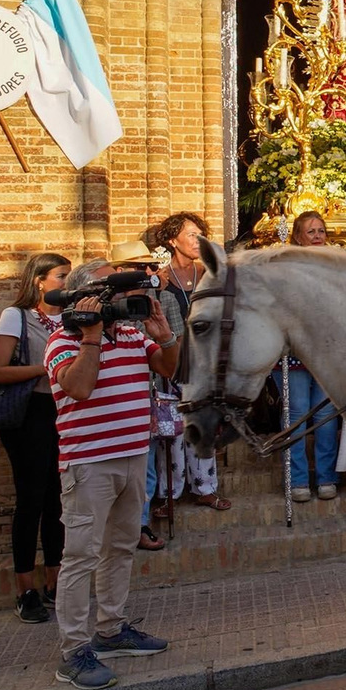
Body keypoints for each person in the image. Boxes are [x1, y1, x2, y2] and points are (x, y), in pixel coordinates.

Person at [47, 260, 177, 689]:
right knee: (80, 557)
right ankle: (73, 652)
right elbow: (79, 388)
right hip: (89, 465)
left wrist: (166, 337)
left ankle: (111, 630)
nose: (122, 297)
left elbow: (168, 368)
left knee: (120, 548)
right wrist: (90, 337)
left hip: (133, 457)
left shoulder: (131, 334)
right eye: (112, 289)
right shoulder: (62, 341)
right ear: (86, 297)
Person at [0, 253, 71, 621]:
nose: (66, 283)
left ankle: (55, 581)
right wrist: (48, 368)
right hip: (29, 415)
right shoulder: (17, 316)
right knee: (31, 500)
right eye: (60, 276)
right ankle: (25, 589)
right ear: (39, 281)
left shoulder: (70, 316)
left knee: (58, 500)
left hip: (63, 412)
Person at [104, 238, 179, 552]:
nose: (148, 272)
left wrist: (164, 337)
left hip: (147, 392)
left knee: (145, 465)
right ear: (120, 272)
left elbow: (176, 346)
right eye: (139, 267)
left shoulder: (162, 298)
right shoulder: (103, 304)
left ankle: (139, 524)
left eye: (149, 266)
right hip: (107, 398)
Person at [152, 212, 230, 514]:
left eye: (201, 234)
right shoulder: (161, 278)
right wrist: (156, 288)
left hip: (204, 359)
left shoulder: (208, 273)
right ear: (173, 241)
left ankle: (205, 489)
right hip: (172, 358)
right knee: (171, 429)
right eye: (191, 234)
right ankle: (169, 493)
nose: (198, 240)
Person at [274, 211, 341, 503]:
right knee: (296, 414)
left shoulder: (336, 266)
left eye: (321, 231)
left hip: (326, 353)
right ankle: (298, 478)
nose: (317, 236)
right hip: (293, 353)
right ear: (298, 237)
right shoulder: (285, 267)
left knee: (326, 416)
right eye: (310, 231)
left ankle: (326, 477)